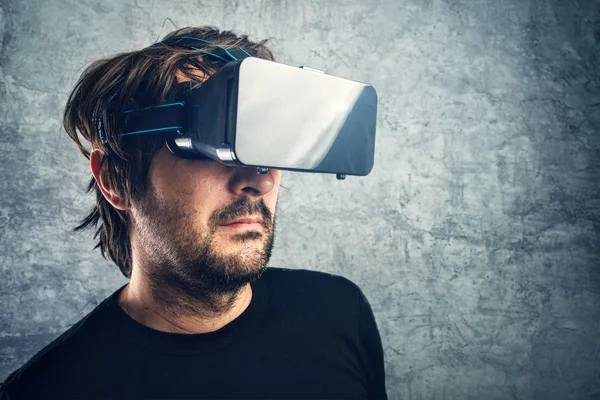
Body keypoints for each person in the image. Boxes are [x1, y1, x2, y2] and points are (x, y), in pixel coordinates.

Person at [0, 26, 388, 399]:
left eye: (263, 145)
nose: (260, 181)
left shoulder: (339, 311)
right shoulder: (45, 391)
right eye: (212, 143)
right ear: (115, 180)